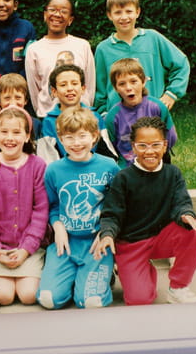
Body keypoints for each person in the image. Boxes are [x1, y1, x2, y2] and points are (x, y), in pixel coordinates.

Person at [92, 117, 196, 305]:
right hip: (132, 244)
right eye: (142, 146)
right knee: (139, 300)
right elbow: (112, 213)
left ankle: (178, 289)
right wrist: (108, 234)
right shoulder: (123, 178)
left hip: (161, 238)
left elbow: (181, 201)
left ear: (165, 145)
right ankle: (141, 269)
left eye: (155, 145)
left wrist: (186, 214)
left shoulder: (173, 173)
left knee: (193, 230)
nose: (150, 151)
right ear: (133, 147)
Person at [36, 106, 118, 310]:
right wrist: (58, 227)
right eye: (69, 137)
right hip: (66, 241)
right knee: (49, 299)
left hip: (96, 242)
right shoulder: (53, 170)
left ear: (94, 136)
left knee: (90, 302)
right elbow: (53, 205)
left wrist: (106, 232)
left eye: (82, 136)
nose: (76, 143)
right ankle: (72, 277)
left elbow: (118, 206)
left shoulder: (109, 166)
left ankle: (100, 276)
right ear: (61, 139)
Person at [0, 106, 48, 305]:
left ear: (27, 136)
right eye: (4, 132)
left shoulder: (37, 165)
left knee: (29, 295)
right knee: (4, 296)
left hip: (29, 247)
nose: (10, 138)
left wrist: (26, 249)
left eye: (17, 132)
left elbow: (41, 211)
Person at [94, 0, 190, 115]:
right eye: (118, 12)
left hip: (153, 114)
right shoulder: (103, 49)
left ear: (138, 12)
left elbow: (181, 64)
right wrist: (105, 115)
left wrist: (171, 94)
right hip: (119, 118)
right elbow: (100, 89)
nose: (124, 17)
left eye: (129, 11)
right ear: (109, 15)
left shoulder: (153, 38)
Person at [25, 0, 96, 118]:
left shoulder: (82, 45)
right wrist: (44, 113)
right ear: (45, 15)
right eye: (52, 10)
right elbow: (34, 89)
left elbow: (89, 84)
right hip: (49, 117)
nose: (57, 15)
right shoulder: (34, 49)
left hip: (81, 117)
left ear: (70, 20)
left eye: (63, 11)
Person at [105, 58, 177, 168]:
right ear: (116, 88)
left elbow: (171, 136)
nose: (128, 88)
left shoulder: (157, 107)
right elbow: (111, 147)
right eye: (122, 84)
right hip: (128, 167)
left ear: (143, 82)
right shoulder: (112, 116)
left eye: (133, 82)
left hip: (157, 162)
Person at [38, 64, 114, 163]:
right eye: (63, 85)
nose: (70, 88)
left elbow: (107, 152)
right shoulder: (49, 121)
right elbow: (48, 157)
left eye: (74, 83)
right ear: (54, 91)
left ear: (83, 88)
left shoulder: (95, 116)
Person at [0, 73, 41, 143]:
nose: (13, 103)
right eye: (7, 98)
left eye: (18, 98)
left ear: (25, 100)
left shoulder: (36, 124)